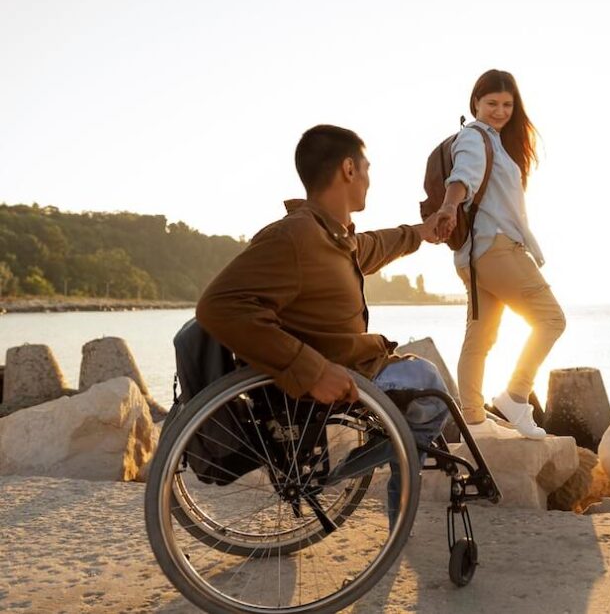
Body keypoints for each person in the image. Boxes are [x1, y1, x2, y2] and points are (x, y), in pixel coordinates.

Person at [195, 124, 449, 524]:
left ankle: (384, 476)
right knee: (430, 386)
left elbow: (369, 248)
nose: (368, 178)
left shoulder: (327, 236)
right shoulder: (296, 236)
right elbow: (217, 306)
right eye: (366, 168)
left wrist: (420, 233)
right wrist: (311, 370)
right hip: (333, 377)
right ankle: (386, 500)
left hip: (340, 370)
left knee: (421, 380)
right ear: (349, 169)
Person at [434, 70, 566, 439]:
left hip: (474, 254)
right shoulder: (475, 137)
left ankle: (474, 421)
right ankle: (515, 396)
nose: (500, 110)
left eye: (507, 104)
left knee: (480, 337)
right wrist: (448, 206)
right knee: (551, 320)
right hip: (495, 248)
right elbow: (463, 177)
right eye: (491, 103)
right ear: (475, 102)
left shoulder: (493, 141)